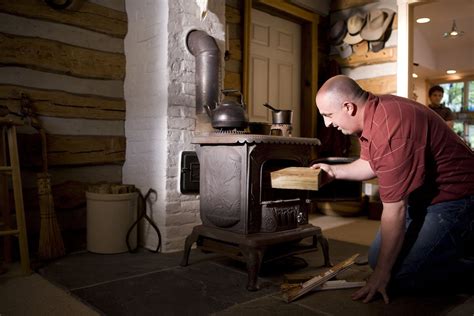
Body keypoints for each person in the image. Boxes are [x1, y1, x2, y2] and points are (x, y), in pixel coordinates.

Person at [311, 75, 474, 304]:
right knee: (378, 259)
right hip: (423, 198)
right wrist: (334, 172)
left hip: (458, 198)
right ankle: (446, 248)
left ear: (348, 107)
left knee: (401, 276)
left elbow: (395, 209)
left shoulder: (390, 129)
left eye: (328, 115)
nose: (328, 124)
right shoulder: (373, 114)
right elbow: (369, 164)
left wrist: (381, 276)